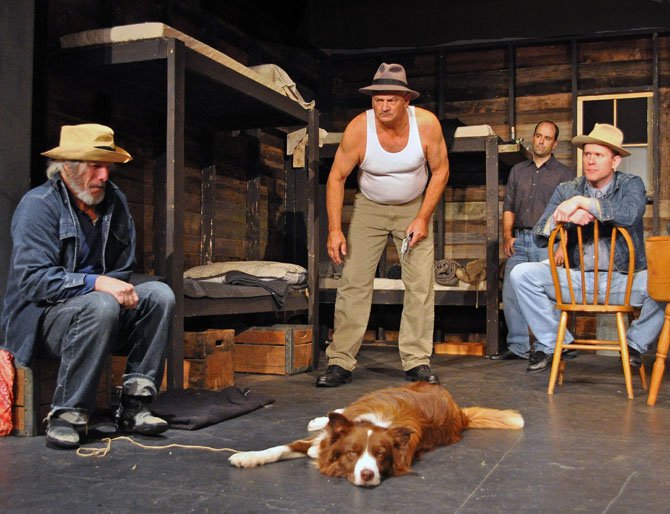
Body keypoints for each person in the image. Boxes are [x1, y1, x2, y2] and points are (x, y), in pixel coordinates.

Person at [0, 124, 175, 448]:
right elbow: (32, 281)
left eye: (107, 166)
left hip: (98, 316)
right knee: (101, 303)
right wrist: (94, 283)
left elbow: (122, 269)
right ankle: (68, 414)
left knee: (160, 295)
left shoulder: (115, 203)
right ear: (68, 167)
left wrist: (111, 288)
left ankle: (135, 406)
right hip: (41, 320)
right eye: (95, 166)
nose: (104, 176)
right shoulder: (38, 205)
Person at [316, 63, 450, 387]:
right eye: (378, 100)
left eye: (391, 99)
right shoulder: (359, 129)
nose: (384, 107)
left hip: (413, 209)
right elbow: (336, 177)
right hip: (370, 209)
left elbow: (441, 171)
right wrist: (334, 229)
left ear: (406, 99)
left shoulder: (427, 125)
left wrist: (422, 217)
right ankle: (340, 362)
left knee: (420, 284)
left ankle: (417, 361)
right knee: (354, 282)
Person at [509, 123, 666, 373]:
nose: (590, 161)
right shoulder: (567, 189)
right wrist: (563, 219)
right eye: (587, 154)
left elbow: (629, 213)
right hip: (577, 281)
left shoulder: (630, 184)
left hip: (622, 282)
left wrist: (584, 203)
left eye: (599, 155)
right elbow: (540, 233)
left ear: (615, 162)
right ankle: (554, 343)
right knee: (520, 274)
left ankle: (634, 343)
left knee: (665, 283)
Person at [491, 121, 573, 361]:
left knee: (548, 292)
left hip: (547, 241)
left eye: (547, 138)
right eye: (538, 136)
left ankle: (557, 344)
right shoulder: (518, 170)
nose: (541, 141)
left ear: (554, 143)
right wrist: (507, 235)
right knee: (511, 291)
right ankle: (518, 346)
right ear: (533, 137)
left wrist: (562, 245)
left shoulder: (565, 174)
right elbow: (509, 206)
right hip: (520, 240)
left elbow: (567, 214)